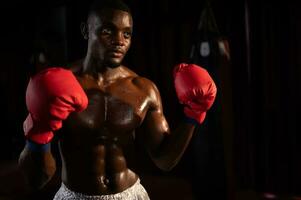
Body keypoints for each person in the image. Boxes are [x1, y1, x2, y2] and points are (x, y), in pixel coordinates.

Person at [18, 0, 217, 199]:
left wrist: (194, 114)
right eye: (107, 31)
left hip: (130, 194)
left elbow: (164, 160)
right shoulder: (58, 85)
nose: (119, 40)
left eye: (126, 34)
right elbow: (37, 180)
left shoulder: (144, 89)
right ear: (86, 31)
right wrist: (38, 135)